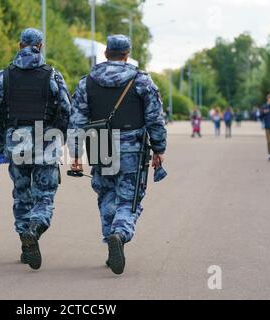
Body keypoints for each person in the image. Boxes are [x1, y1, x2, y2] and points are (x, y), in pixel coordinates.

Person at [68, 35, 167, 275]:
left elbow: (76, 121)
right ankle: (119, 235)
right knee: (128, 198)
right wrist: (159, 149)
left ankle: (110, 242)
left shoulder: (86, 83)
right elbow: (155, 118)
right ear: (127, 54)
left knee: (106, 195)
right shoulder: (142, 81)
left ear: (106, 54)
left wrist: (75, 155)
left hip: (99, 144)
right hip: (132, 147)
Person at [0, 28, 71, 270]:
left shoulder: (4, 77)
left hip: (16, 141)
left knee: (22, 194)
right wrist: (61, 135)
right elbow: (66, 109)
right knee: (44, 195)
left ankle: (25, 244)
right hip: (46, 140)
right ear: (40, 46)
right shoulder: (53, 75)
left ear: (19, 45)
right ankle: (35, 227)